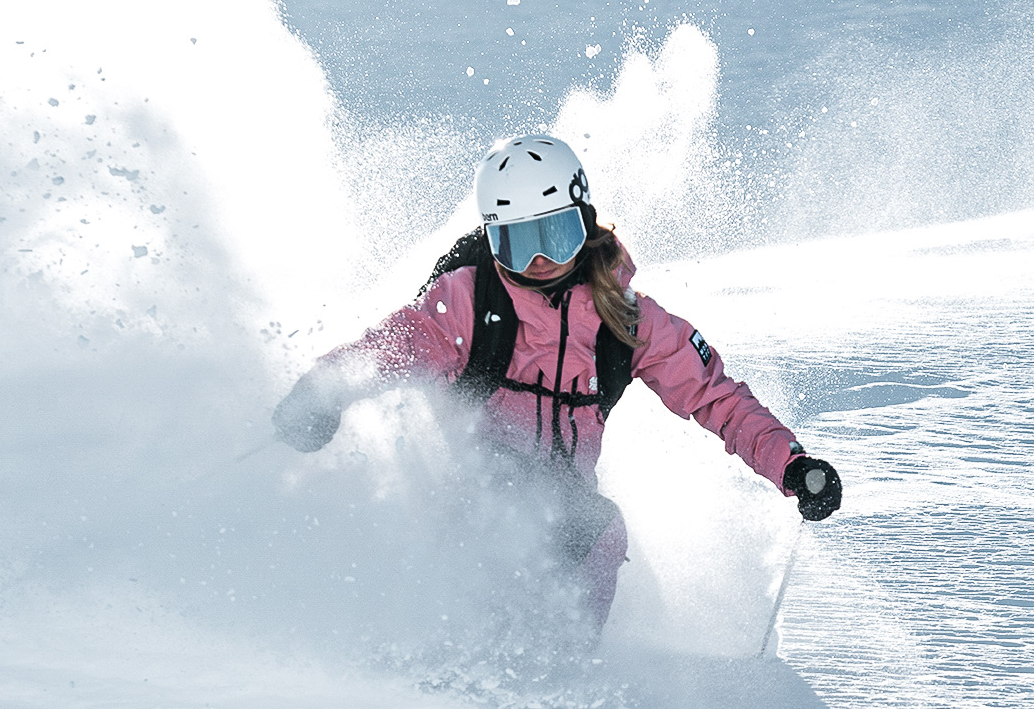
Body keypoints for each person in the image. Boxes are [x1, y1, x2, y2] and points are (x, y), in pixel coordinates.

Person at [272, 135, 841, 627]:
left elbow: (714, 396)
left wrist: (790, 465)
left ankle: (563, 682)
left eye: (557, 235)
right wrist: (320, 396)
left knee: (595, 531)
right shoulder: (469, 301)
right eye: (520, 244)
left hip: (563, 507)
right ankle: (456, 658)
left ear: (585, 221)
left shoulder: (628, 320)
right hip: (469, 503)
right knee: (522, 535)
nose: (541, 260)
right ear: (495, 241)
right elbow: (391, 349)